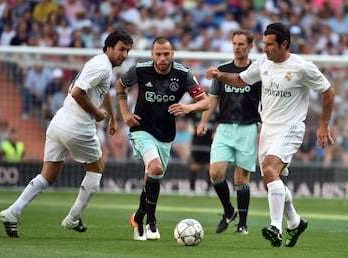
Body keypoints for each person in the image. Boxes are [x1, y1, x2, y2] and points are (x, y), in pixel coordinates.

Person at [206, 23, 335, 247]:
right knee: (270, 182)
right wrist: (219, 75)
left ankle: (275, 227)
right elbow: (240, 80)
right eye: (264, 44)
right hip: (268, 128)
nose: (264, 49)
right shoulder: (263, 63)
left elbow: (328, 90)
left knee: (268, 170)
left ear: (284, 44)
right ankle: (295, 222)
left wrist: (324, 125)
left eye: (269, 44)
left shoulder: (302, 67)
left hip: (290, 128)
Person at [0, 29, 133, 237]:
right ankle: (72, 218)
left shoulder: (99, 63)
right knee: (97, 169)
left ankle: (12, 212)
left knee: (48, 174)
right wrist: (97, 113)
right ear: (109, 47)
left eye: (127, 51)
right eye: (121, 49)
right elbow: (78, 93)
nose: (124, 55)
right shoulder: (102, 67)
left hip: (59, 123)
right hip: (78, 127)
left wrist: (113, 118)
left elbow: (101, 91)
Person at [115, 36, 210, 241]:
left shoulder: (183, 75)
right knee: (155, 168)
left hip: (166, 134)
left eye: (166, 54)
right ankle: (152, 220)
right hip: (141, 128)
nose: (162, 58)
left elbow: (206, 102)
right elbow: (120, 86)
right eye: (158, 54)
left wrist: (188, 107)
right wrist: (124, 113)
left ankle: (139, 217)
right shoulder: (140, 70)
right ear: (152, 55)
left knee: (152, 176)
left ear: (172, 54)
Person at [197, 30, 261, 235]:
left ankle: (242, 224)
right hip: (224, 127)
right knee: (215, 172)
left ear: (250, 46)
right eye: (235, 43)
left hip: (248, 128)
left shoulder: (257, 71)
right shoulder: (222, 70)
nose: (237, 47)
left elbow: (265, 102)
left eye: (242, 44)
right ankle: (228, 210)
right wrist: (204, 121)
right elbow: (213, 98)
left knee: (241, 178)